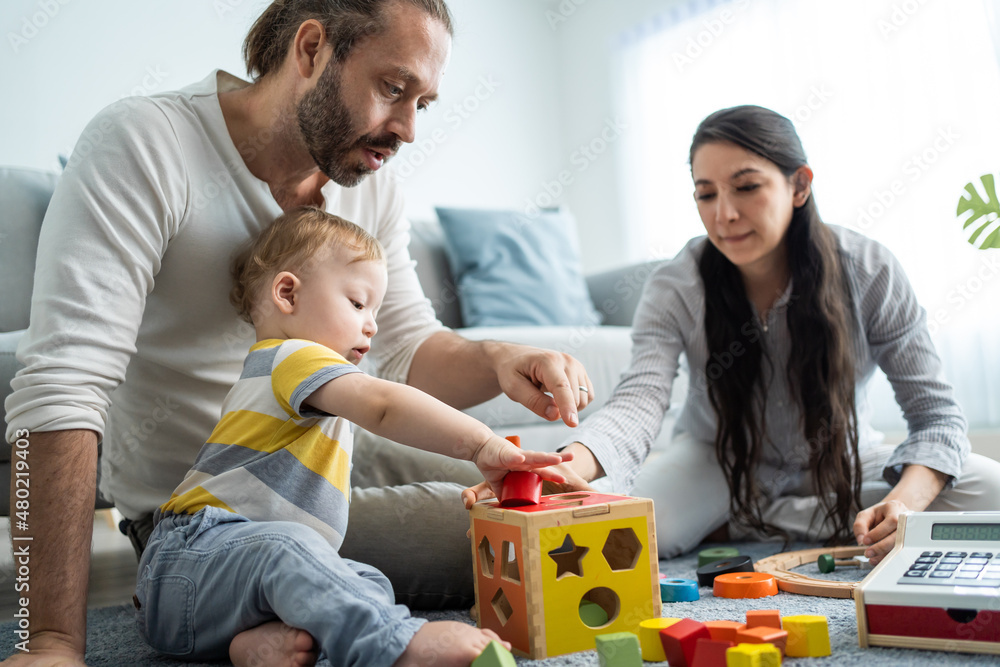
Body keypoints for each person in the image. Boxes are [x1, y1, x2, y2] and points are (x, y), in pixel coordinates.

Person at [2, 1, 602, 664]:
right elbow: (62, 383)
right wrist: (48, 637)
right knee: (497, 537)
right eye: (392, 89)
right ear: (312, 50)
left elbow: (404, 350)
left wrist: (500, 356)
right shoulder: (146, 142)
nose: (405, 129)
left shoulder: (370, 185)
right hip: (211, 519)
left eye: (422, 104)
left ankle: (254, 634)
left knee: (548, 506)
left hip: (326, 456)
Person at [553, 105, 1000, 564]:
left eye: (746, 187)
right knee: (635, 530)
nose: (724, 214)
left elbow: (936, 415)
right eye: (706, 195)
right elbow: (639, 401)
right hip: (718, 460)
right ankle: (782, 514)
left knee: (992, 494)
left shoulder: (870, 269)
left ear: (799, 185)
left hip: (841, 460)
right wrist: (563, 466)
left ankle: (751, 519)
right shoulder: (676, 285)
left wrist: (903, 505)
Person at [136, 206, 572, 667]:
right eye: (358, 303)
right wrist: (484, 444)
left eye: (376, 310)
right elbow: (384, 406)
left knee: (365, 582)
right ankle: (397, 645)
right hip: (189, 556)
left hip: (215, 597)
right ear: (287, 293)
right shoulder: (291, 357)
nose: (372, 325)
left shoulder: (289, 377)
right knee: (291, 548)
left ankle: (254, 643)